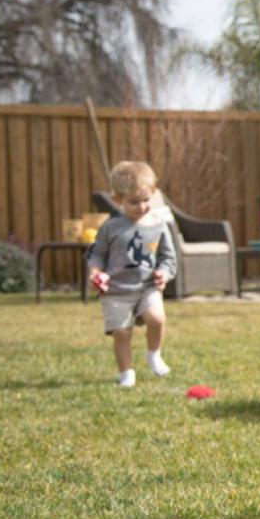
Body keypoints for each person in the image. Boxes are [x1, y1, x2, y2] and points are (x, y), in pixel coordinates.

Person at [87, 161, 177, 388]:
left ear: (153, 194)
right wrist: (95, 273)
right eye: (134, 202)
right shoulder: (111, 228)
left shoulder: (159, 225)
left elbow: (168, 258)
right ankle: (126, 373)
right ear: (117, 199)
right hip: (116, 291)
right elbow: (97, 254)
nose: (142, 207)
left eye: (146, 200)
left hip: (147, 287)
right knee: (122, 332)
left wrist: (164, 273)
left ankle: (154, 354)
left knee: (157, 318)